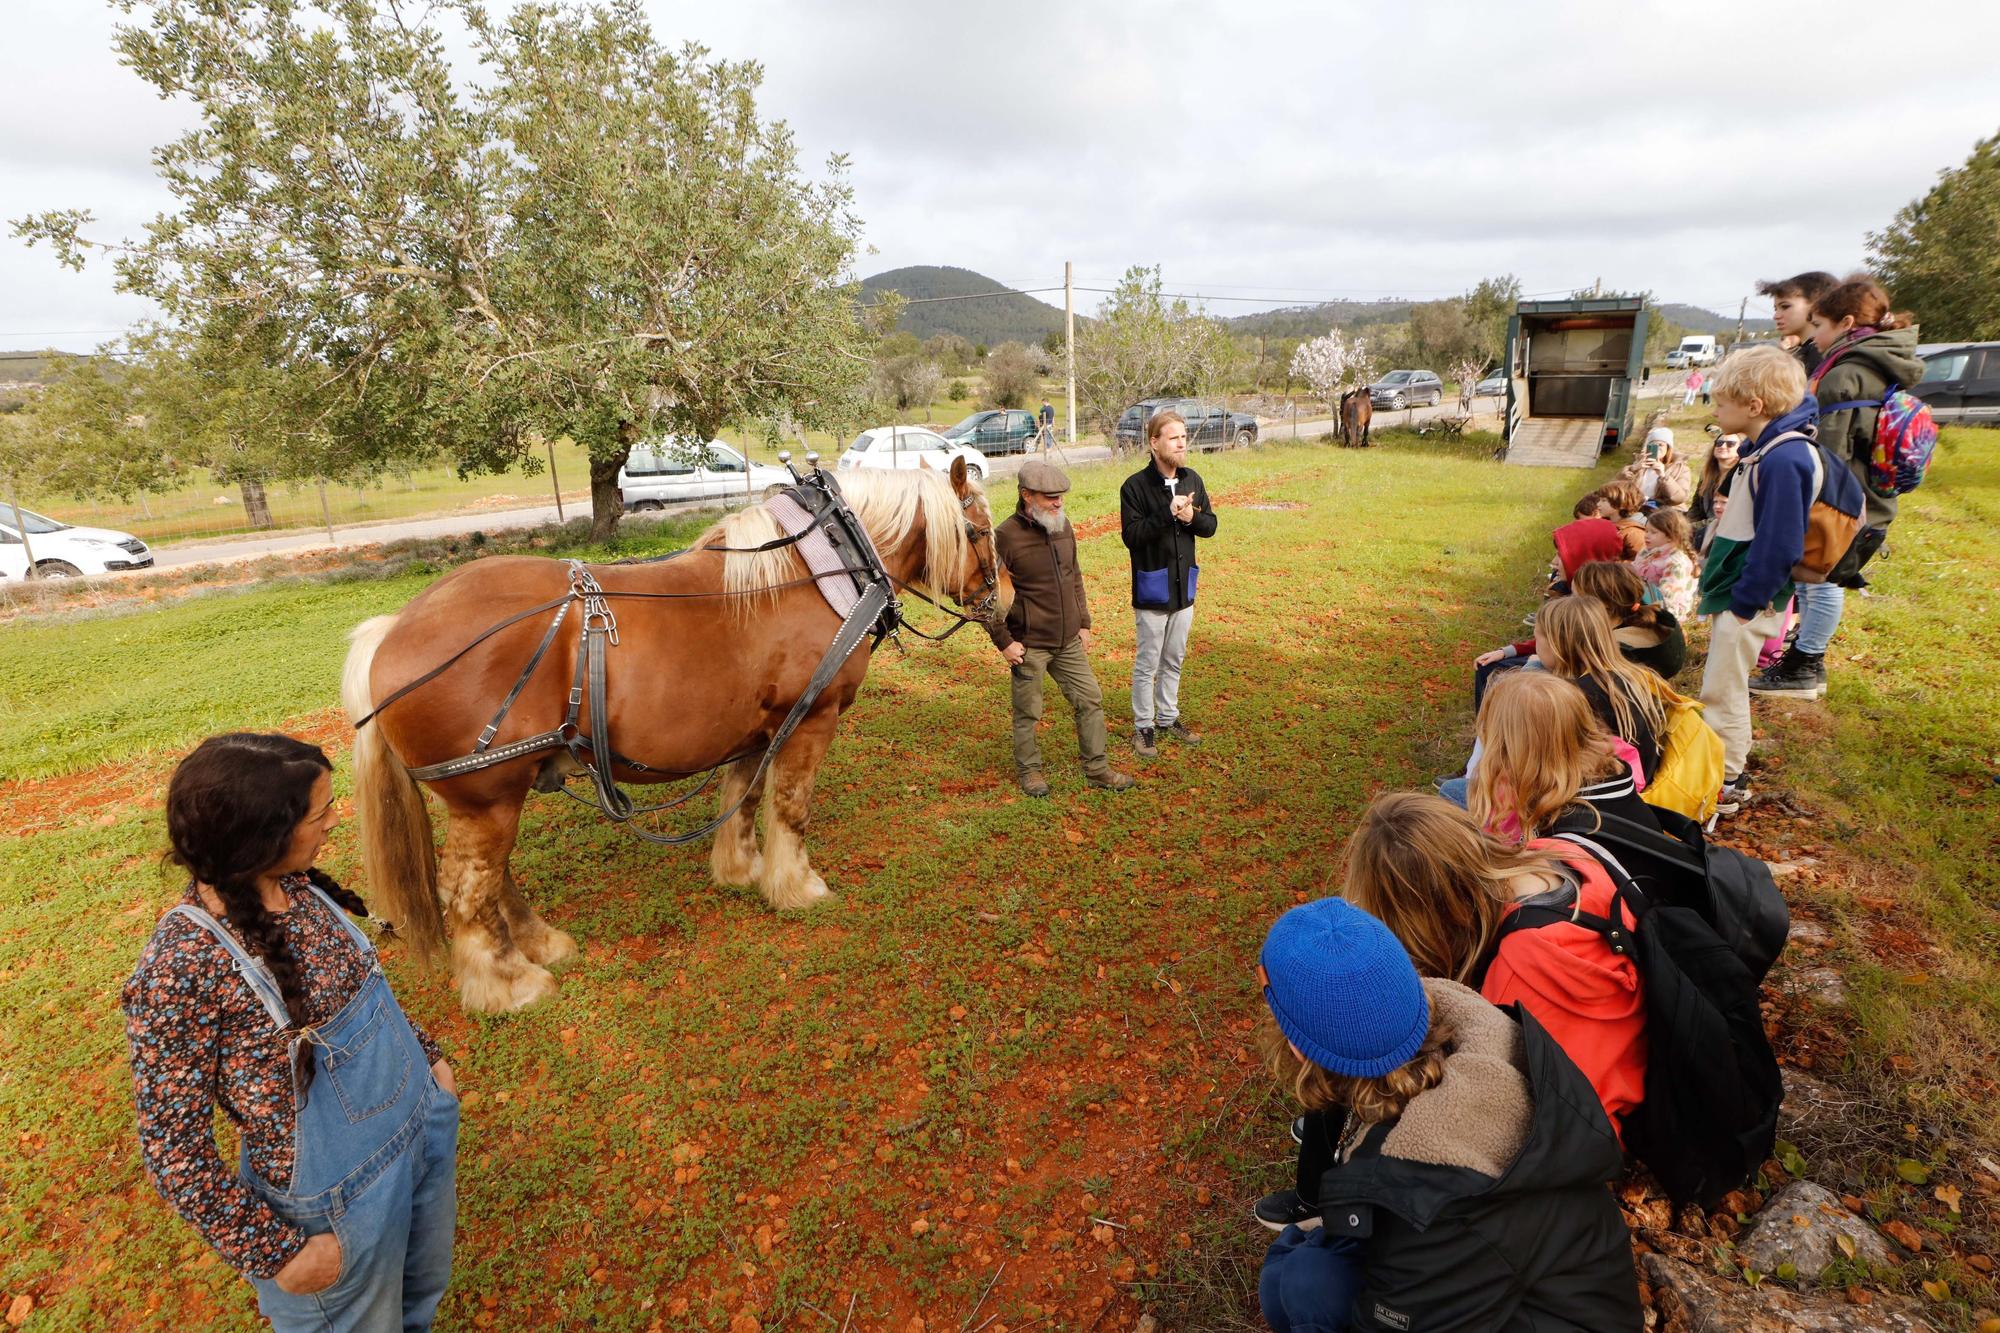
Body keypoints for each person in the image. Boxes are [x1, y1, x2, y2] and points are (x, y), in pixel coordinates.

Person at [123, 733, 460, 1331]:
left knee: (417, 1302)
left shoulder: (302, 888)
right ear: (262, 839)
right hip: (334, 1212)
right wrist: (277, 1252)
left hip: (420, 1132)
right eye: (321, 812)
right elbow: (173, 1147)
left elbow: (360, 989)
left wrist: (430, 1066)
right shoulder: (182, 967)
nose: (335, 820)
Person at [1253, 897, 1643, 1332]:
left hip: (1520, 1299)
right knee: (1292, 1277)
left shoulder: (1428, 1194)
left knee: (1301, 1281)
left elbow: (1423, 1257)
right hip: (1521, 1281)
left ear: (1296, 1048)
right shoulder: (1480, 1038)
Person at [1751, 275, 1922, 701]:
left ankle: (1805, 664)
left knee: (1821, 578)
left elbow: (1829, 453)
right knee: (1820, 579)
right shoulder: (1872, 361)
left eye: (1821, 324)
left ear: (1845, 323)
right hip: (1868, 497)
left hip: (1846, 503)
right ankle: (1803, 659)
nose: (1817, 334)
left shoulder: (1846, 372)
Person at [1695, 345, 1818, 813]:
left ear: (1754, 406)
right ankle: (1727, 770)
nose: (1715, 411)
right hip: (1737, 594)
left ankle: (1725, 780)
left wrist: (1746, 601)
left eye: (1722, 403)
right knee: (1722, 686)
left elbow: (1781, 542)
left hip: (1749, 600)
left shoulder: (1786, 459)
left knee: (1722, 689)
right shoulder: (1762, 450)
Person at [986, 460, 1134, 796]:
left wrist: (1084, 622)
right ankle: (1031, 773)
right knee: (1028, 713)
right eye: (1050, 497)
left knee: (1091, 700)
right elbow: (987, 597)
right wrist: (1004, 642)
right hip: (1029, 645)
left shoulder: (1062, 527)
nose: (1058, 503)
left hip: (1068, 641)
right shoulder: (1004, 537)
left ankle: (1097, 769)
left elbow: (1074, 576)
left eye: (1061, 497)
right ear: (1026, 495)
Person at [1119, 410, 1218, 757]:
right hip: (1152, 590)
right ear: (1154, 442)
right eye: (1174, 437)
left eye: (1184, 436)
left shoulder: (1193, 479)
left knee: (1174, 658)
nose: (1181, 442)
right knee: (1148, 662)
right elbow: (1132, 537)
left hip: (1184, 590)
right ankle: (1143, 726)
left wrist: (1192, 517)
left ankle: (1168, 717)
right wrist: (1167, 513)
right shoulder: (1134, 487)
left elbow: (1211, 526)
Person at [1469, 671, 1663, 845]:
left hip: (1554, 857)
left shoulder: (1520, 798)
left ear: (1507, 749)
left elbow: (1498, 847)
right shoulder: (1612, 765)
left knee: (1453, 792)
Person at [1571, 560, 1687, 681]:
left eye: (1575, 597)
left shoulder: (1612, 649)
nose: (1568, 603)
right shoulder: (1645, 626)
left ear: (1604, 604)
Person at [1757, 270, 1839, 376]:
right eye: (1775, 309)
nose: (1776, 316)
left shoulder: (1821, 357)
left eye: (1785, 306)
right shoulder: (1808, 353)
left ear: (1816, 304)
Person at [1633, 508, 1700, 620]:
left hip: (1662, 615)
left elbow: (1669, 599)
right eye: (1646, 531)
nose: (1646, 535)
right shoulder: (1646, 551)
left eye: (1653, 532)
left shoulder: (1676, 562)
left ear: (1670, 536)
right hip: (1642, 605)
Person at [1612, 425, 1693, 510]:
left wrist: (1663, 476)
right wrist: (1633, 469)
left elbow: (1679, 498)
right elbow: (1612, 490)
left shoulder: (1680, 468)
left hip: (1664, 512)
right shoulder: (1639, 465)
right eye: (1652, 445)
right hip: (1637, 509)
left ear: (1668, 448)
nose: (1657, 448)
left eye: (1660, 445)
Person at [1687, 432, 1742, 544]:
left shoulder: (1740, 477)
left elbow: (1726, 517)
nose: (1722, 446)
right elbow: (1696, 507)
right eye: (1719, 443)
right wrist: (1686, 524)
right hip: (1702, 528)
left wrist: (1690, 527)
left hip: (1725, 532)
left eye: (1730, 444)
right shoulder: (1706, 475)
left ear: (1740, 450)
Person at [1597, 479, 1649, 557]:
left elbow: (1640, 563)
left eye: (1604, 501)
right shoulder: (1602, 524)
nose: (1598, 504)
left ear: (1622, 504)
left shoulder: (1634, 533)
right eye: (1599, 500)